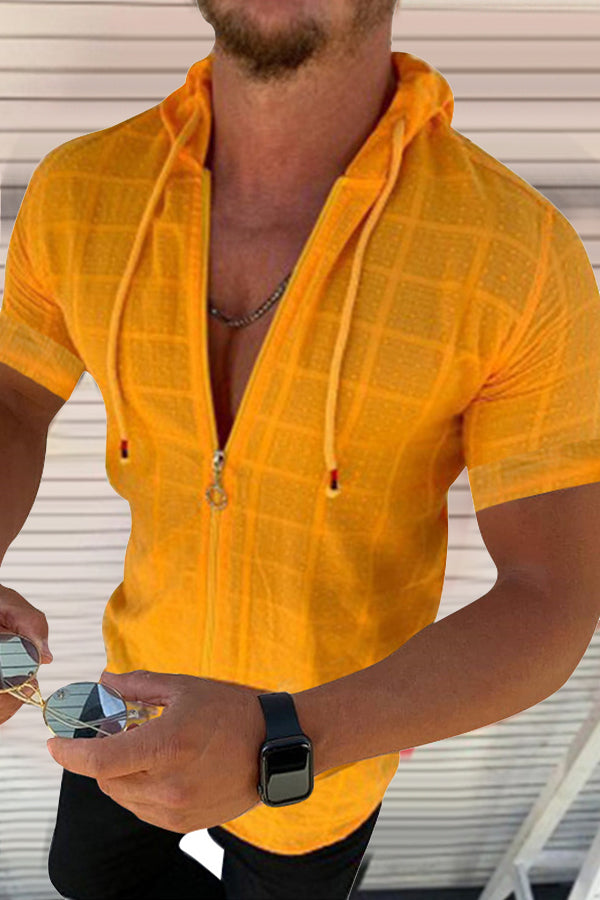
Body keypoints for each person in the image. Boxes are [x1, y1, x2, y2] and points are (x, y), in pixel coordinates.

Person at [1, 0, 599, 898]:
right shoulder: (81, 191)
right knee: (84, 879)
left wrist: (287, 739)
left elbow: (553, 595)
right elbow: (14, 396)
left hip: (322, 762)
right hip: (126, 700)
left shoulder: (517, 257)